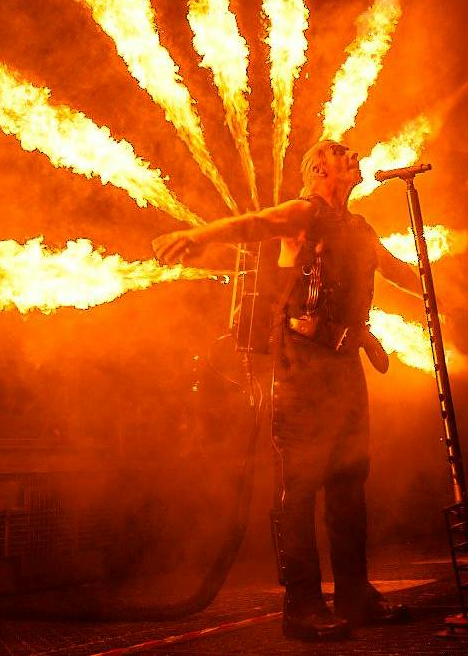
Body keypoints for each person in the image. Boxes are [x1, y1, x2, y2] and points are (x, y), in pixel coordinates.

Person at [153, 139, 420, 640]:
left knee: (348, 486)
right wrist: (201, 234)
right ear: (319, 169)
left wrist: (437, 291)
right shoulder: (302, 214)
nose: (356, 157)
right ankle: (301, 605)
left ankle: (355, 594)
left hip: (345, 370)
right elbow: (253, 224)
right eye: (344, 154)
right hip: (302, 371)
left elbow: (393, 267)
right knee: (298, 491)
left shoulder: (359, 228)